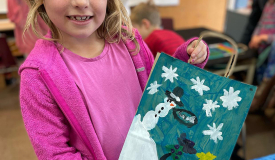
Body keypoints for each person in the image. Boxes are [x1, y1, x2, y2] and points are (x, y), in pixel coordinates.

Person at [19, 0, 209, 159]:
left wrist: (188, 58)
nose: (80, 2)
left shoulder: (129, 40)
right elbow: (55, 153)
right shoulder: (37, 74)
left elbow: (160, 92)